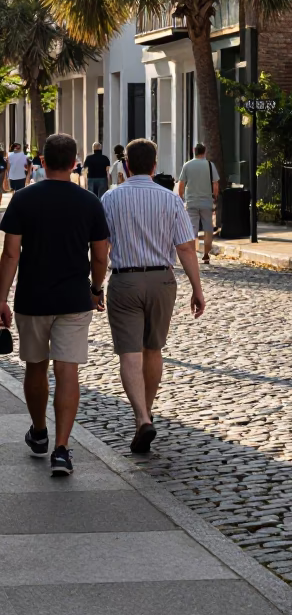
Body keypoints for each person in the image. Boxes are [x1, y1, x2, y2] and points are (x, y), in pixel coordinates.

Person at [0, 133, 109, 476]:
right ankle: (62, 449)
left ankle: (40, 432)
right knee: (67, 371)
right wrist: (96, 287)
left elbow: (11, 253)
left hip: (32, 297)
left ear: (42, 162)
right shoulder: (90, 202)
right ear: (75, 162)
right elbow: (101, 254)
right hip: (75, 297)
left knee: (35, 367)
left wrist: (0, 298)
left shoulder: (23, 199)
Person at [102, 137, 205, 454]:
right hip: (162, 280)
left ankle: (141, 417)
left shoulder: (110, 198)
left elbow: (99, 247)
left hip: (125, 280)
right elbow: (186, 247)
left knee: (129, 354)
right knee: (153, 348)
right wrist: (197, 289)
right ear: (155, 165)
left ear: (127, 165)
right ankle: (146, 412)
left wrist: (93, 283)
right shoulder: (170, 199)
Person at [178, 142, 219, 264]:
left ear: (193, 150)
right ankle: (206, 254)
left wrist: (181, 198)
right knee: (208, 228)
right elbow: (215, 184)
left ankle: (192, 255)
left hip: (191, 202)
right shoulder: (210, 165)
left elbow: (181, 184)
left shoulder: (187, 165)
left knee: (192, 229)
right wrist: (214, 197)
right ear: (204, 151)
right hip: (206, 201)